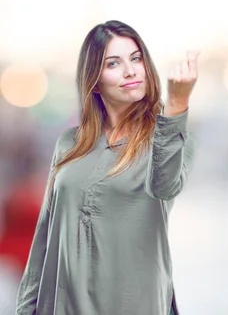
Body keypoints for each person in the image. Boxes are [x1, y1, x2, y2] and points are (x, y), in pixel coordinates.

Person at [15, 20, 198, 315]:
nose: (130, 70)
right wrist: (25, 308)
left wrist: (177, 104)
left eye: (136, 58)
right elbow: (45, 236)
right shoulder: (69, 144)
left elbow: (164, 187)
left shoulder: (171, 138)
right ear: (94, 81)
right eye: (113, 63)